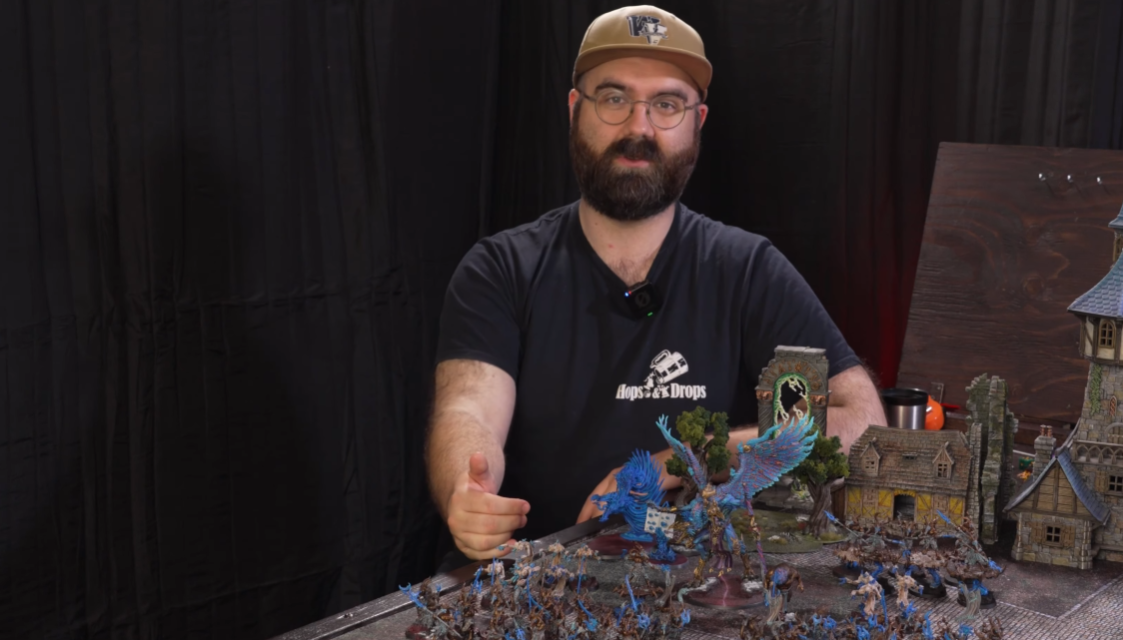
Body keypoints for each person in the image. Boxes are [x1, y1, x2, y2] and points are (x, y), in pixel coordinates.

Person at [425, 5, 886, 568]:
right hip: (536, 581)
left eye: (666, 104)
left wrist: (671, 463)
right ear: (575, 111)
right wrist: (466, 493)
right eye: (614, 98)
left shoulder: (747, 268)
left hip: (701, 591)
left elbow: (861, 420)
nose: (639, 128)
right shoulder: (499, 269)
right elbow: (468, 413)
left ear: (698, 122)